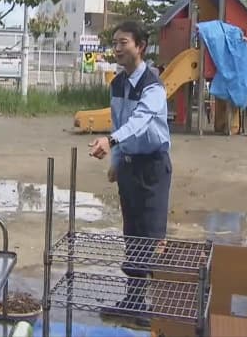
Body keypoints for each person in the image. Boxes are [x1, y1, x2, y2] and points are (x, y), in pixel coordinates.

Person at [88, 21, 171, 324]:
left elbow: (140, 120)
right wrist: (118, 159)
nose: (117, 48)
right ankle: (133, 300)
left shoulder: (153, 85)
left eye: (123, 42)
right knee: (133, 235)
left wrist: (110, 142)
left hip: (152, 166)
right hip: (130, 166)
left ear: (141, 47)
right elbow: (119, 121)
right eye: (115, 42)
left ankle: (153, 304)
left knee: (151, 235)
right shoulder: (118, 83)